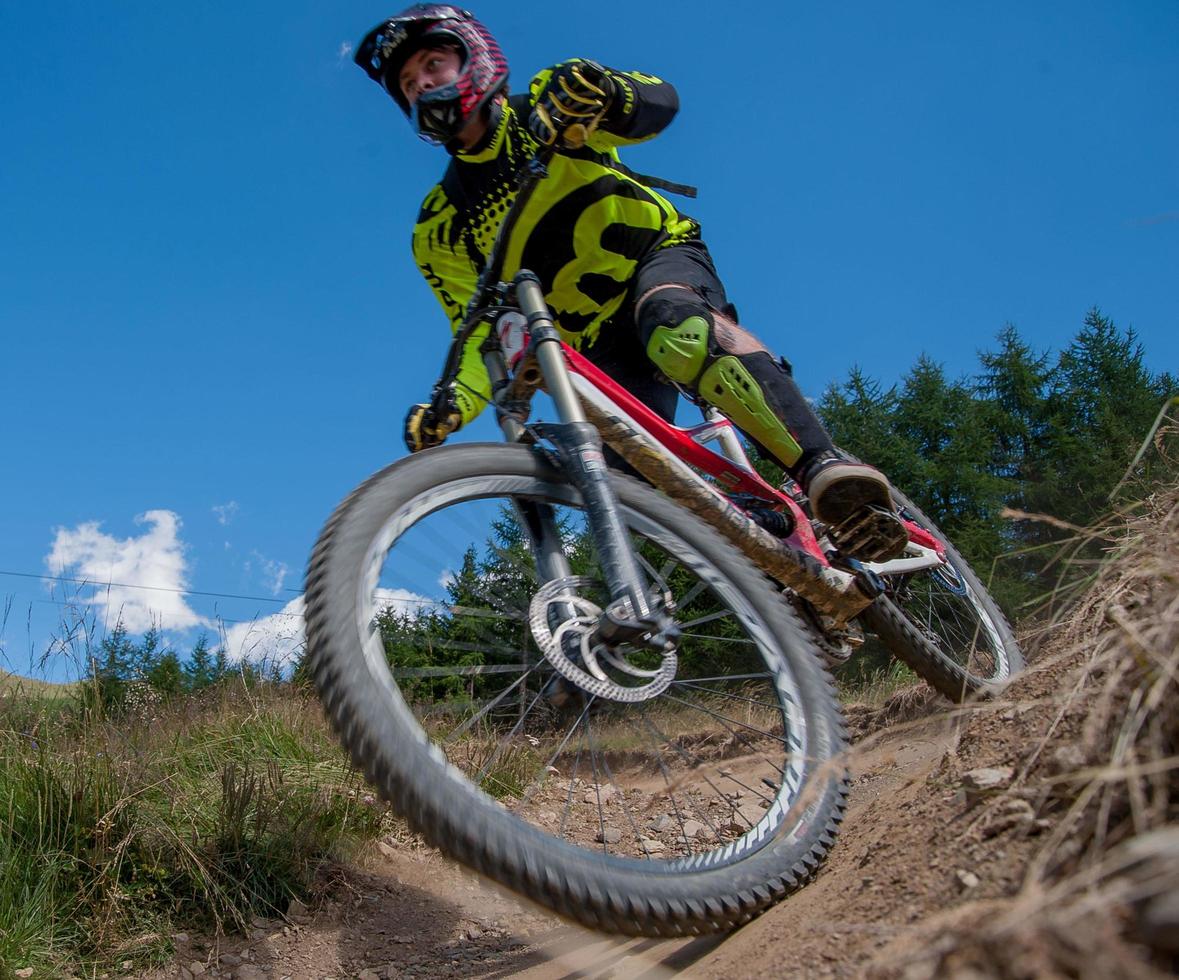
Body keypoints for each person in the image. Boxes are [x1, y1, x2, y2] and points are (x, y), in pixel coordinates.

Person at [354, 4, 905, 561]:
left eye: (433, 63)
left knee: (675, 327)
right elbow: (481, 333)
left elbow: (657, 101)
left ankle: (825, 469)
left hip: (657, 259)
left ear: (473, 56)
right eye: (406, 81)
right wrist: (453, 401)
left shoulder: (548, 105)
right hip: (594, 345)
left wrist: (607, 94)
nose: (421, 83)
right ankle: (773, 553)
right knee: (623, 489)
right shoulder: (439, 228)